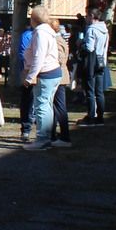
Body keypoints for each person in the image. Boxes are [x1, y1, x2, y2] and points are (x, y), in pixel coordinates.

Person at [23, 5, 63, 151]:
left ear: (34, 19)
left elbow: (39, 56)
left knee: (41, 107)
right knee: (47, 106)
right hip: (53, 72)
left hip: (45, 73)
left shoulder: (40, 33)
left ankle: (42, 139)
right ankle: (47, 137)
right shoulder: (49, 31)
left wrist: (30, 76)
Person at [80, 8, 110, 125]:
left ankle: (91, 115)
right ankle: (100, 117)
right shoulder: (104, 29)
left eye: (87, 16)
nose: (86, 18)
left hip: (92, 61)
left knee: (90, 90)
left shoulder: (91, 30)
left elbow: (89, 47)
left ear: (92, 16)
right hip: (101, 60)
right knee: (99, 91)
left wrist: (81, 44)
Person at [48, 16, 72, 146]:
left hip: (58, 76)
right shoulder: (59, 39)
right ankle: (52, 134)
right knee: (54, 107)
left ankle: (64, 136)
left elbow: (60, 59)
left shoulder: (56, 41)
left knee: (59, 107)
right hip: (59, 76)